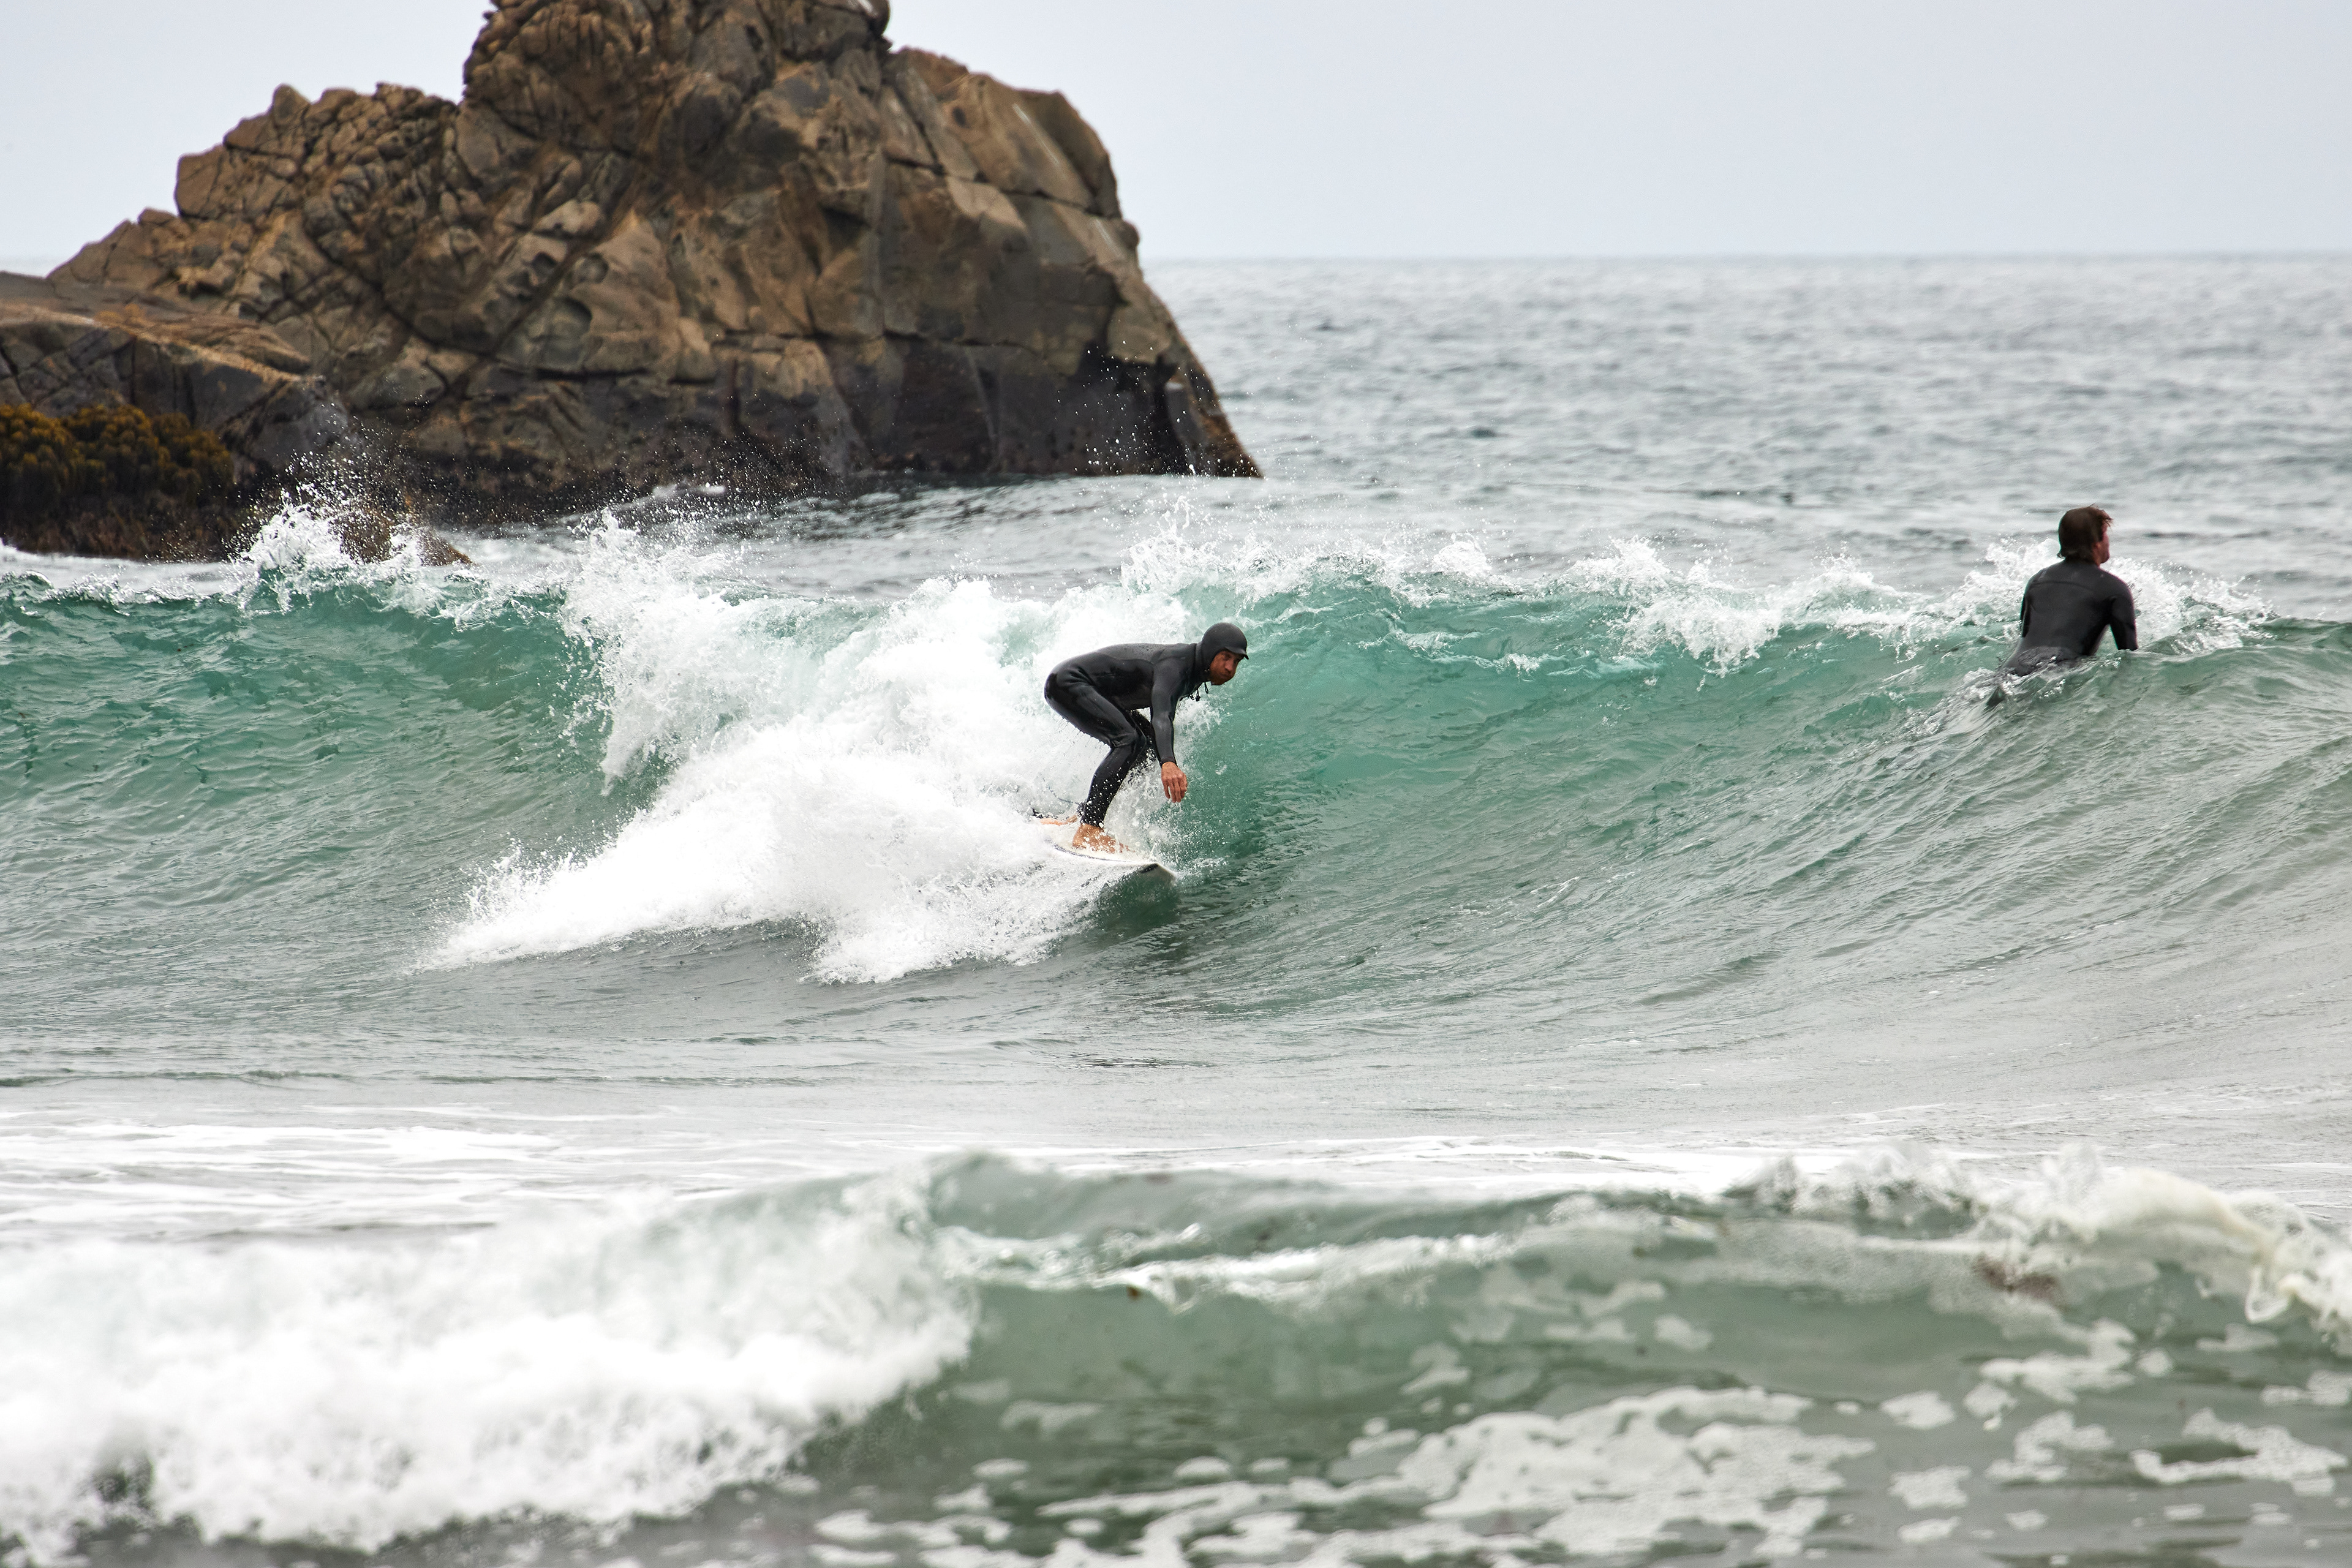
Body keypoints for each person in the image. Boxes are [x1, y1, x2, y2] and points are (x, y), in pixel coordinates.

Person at [1042, 622, 1248, 852]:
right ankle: (1089, 828)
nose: (1230, 667)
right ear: (1210, 653)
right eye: (1225, 657)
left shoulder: (1194, 669)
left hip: (1092, 689)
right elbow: (1161, 716)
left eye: (1236, 662)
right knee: (1129, 740)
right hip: (1068, 682)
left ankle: (1082, 816)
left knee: (1146, 744)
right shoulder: (1176, 667)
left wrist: (1163, 756)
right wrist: (1169, 762)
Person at [2003, 506, 2138, 675]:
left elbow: (2022, 636)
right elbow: (2129, 658)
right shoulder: (2114, 589)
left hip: (2010, 669)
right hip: (2055, 672)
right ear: (2096, 543)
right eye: (2105, 534)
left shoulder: (2038, 580)